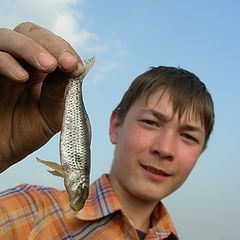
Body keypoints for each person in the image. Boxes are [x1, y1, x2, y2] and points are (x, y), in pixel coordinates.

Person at [0, 22, 214, 240]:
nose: (164, 148)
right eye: (151, 122)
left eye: (188, 136)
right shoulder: (28, 210)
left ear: (201, 151)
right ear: (115, 126)